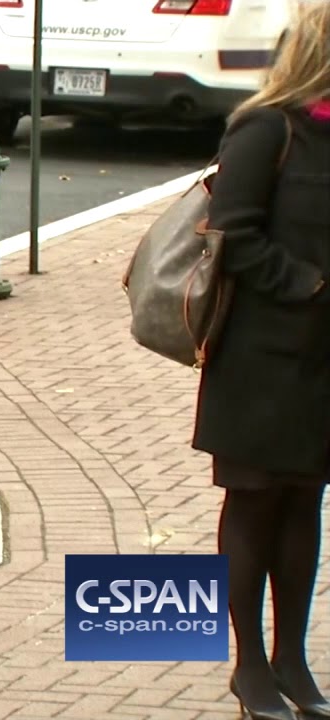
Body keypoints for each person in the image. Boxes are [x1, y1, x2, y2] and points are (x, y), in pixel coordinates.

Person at [192, 4, 330, 719]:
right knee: (253, 503)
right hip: (259, 360)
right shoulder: (266, 127)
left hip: (321, 366)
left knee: (306, 502)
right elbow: (233, 236)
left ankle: (292, 661)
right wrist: (306, 285)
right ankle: (247, 664)